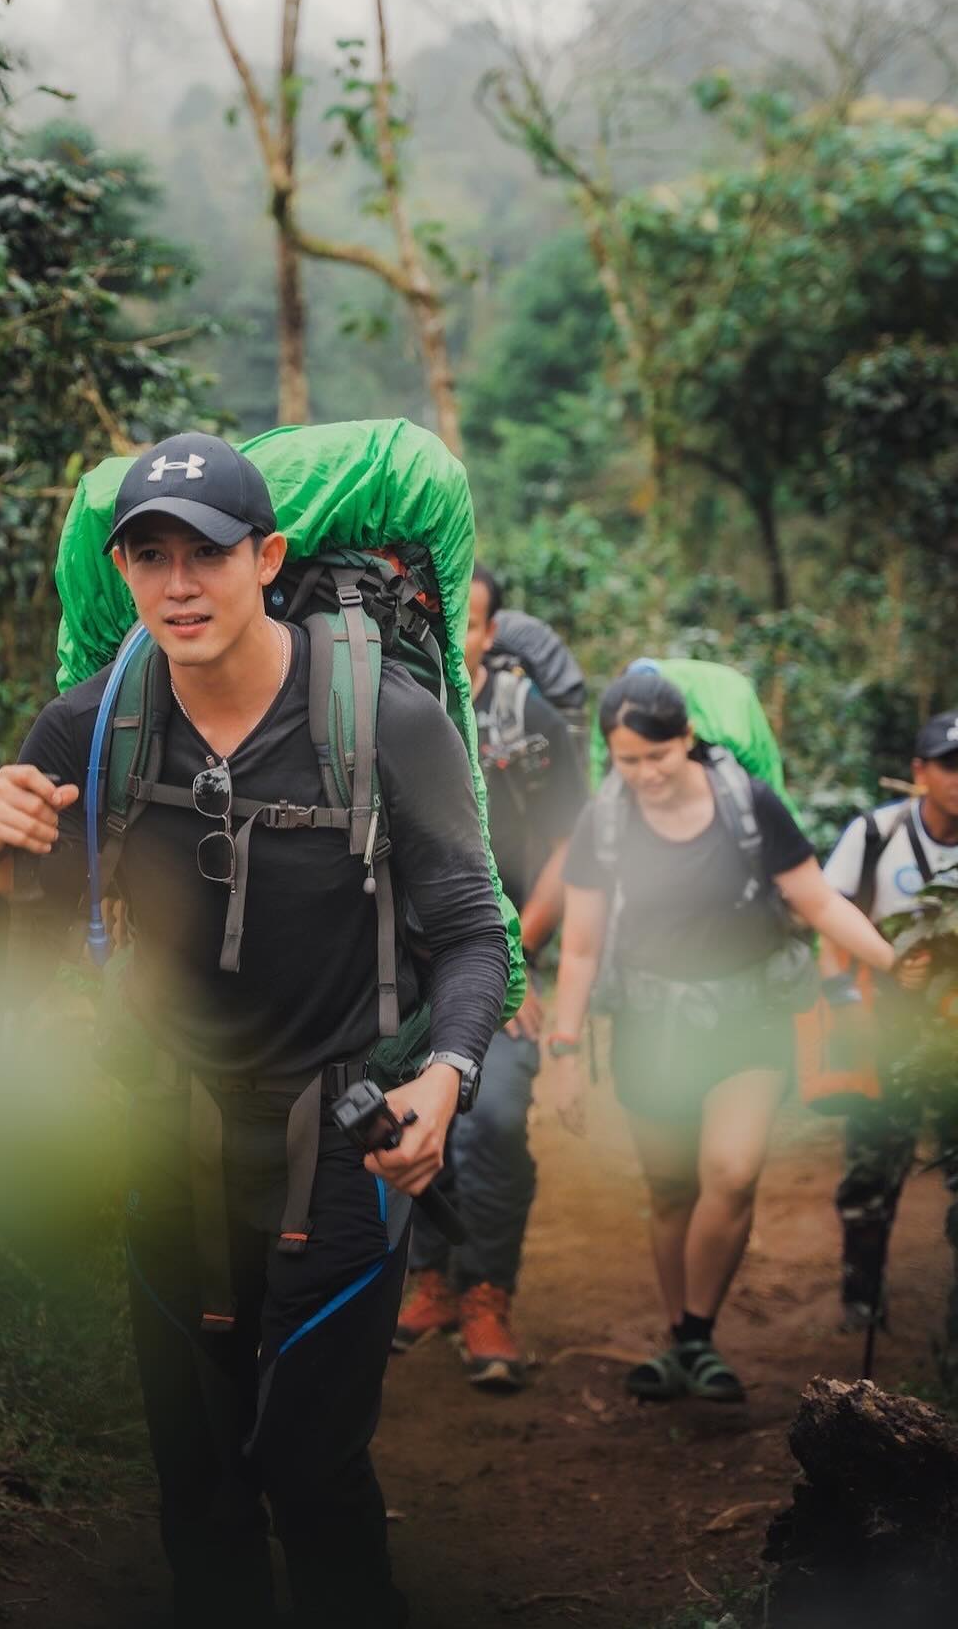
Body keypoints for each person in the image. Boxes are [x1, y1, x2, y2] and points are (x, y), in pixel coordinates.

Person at [0, 432, 511, 1629]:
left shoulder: (386, 719)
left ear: (265, 557)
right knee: (198, 1489)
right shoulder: (86, 730)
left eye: (205, 553)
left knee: (311, 1472)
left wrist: (451, 1076)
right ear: (122, 571)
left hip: (344, 1137)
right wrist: (0, 874)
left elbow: (472, 930)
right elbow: (0, 974)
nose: (176, 584)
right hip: (164, 1134)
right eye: (147, 555)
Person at [546, 668, 911, 1403]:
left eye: (658, 756)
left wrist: (897, 963)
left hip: (749, 1019)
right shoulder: (606, 820)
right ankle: (684, 1337)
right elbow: (581, 946)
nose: (644, 774)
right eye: (627, 760)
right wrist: (561, 1051)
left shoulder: (747, 803)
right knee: (672, 1189)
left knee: (733, 1171)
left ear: (687, 738)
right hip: (651, 1025)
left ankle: (699, 1333)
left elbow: (815, 901)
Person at [392, 565, 587, 1389]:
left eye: (465, 620)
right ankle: (429, 1275)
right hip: (395, 965)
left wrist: (514, 956)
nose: (448, 630)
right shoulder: (382, 701)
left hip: (498, 954)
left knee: (495, 1115)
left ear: (489, 634)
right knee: (398, 1114)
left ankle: (485, 1292)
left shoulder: (524, 719)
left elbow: (568, 849)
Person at [820, 708, 958, 1332]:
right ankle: (862, 1298)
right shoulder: (876, 833)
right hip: (886, 1020)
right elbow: (827, 915)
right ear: (920, 771)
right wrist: (842, 998)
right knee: (874, 1163)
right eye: (949, 766)